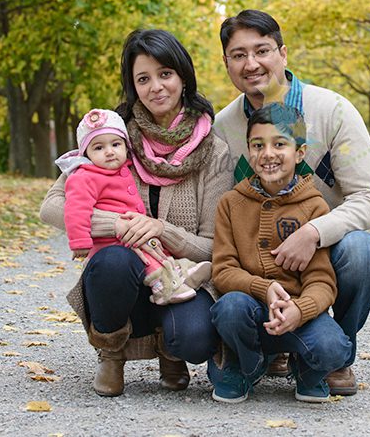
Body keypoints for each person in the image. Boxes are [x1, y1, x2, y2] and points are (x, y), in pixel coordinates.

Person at [39, 29, 233, 397]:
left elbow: (212, 246)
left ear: (183, 76)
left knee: (194, 338)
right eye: (143, 78)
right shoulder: (111, 138)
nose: (156, 87)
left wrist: (160, 229)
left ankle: (169, 352)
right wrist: (118, 224)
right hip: (126, 270)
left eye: (165, 74)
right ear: (132, 86)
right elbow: (52, 206)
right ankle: (111, 354)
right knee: (112, 262)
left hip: (178, 277)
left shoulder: (214, 151)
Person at [212, 9, 370, 396]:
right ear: (226, 63)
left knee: (363, 251)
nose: (251, 63)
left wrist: (314, 232)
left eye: (262, 50)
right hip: (258, 266)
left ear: (283, 53)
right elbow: (224, 210)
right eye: (238, 55)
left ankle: (333, 355)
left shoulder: (334, 111)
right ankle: (267, 346)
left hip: (325, 250)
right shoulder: (224, 128)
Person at [209, 103, 351, 403]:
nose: (268, 154)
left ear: (299, 153)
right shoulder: (231, 204)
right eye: (258, 145)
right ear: (248, 151)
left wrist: (301, 310)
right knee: (229, 308)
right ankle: (248, 364)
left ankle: (306, 371)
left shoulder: (314, 207)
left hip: (296, 315)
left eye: (280, 144)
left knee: (336, 347)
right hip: (251, 312)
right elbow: (222, 270)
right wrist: (264, 287)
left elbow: (322, 282)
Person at [58, 108, 212, 306]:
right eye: (98, 148)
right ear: (85, 153)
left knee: (154, 249)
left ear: (126, 145)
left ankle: (181, 272)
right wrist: (80, 242)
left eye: (116, 144)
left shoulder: (128, 167)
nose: (109, 151)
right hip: (109, 244)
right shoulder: (84, 176)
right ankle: (163, 288)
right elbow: (75, 209)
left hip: (133, 237)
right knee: (148, 261)